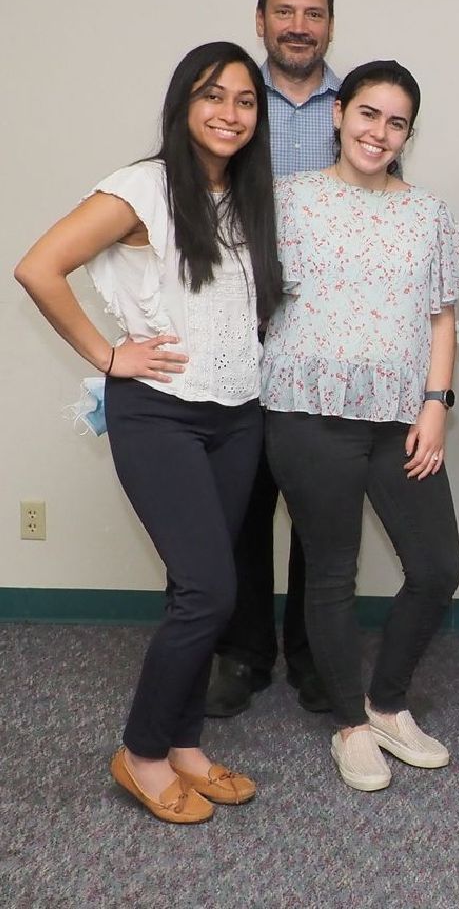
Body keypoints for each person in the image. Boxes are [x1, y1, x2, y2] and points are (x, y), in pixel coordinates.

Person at [15, 42, 282, 823]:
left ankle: (185, 744)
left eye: (244, 100)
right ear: (183, 103)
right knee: (211, 590)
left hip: (236, 415)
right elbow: (38, 266)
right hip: (160, 413)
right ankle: (140, 753)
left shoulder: (243, 194)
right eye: (213, 96)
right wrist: (108, 355)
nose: (229, 113)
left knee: (194, 590)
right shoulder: (143, 187)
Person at [261, 60, 459, 792]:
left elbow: (443, 316)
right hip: (308, 413)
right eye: (369, 114)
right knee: (331, 574)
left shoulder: (426, 214)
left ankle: (385, 703)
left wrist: (436, 404)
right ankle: (349, 724)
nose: (380, 132)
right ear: (339, 114)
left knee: (437, 567)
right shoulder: (288, 202)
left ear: (409, 131)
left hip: (399, 419)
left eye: (397, 121)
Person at [206, 0, 340, 718]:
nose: (298, 26)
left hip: (322, 341)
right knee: (243, 500)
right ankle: (246, 651)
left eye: (313, 13)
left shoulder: (352, 106)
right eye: (284, 12)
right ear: (260, 20)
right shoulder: (230, 102)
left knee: (320, 505)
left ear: (329, 23)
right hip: (237, 329)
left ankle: (315, 654)